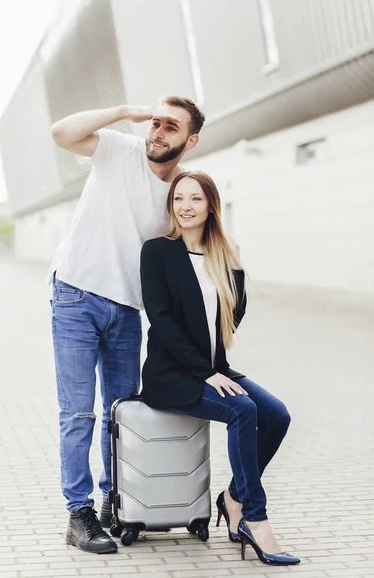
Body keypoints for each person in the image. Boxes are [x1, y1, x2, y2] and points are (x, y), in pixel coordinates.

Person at [47, 97, 205, 554]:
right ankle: (78, 514)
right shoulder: (119, 148)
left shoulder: (180, 192)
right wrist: (121, 111)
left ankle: (112, 504)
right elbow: (61, 133)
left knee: (121, 413)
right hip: (75, 294)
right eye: (155, 122)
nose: (158, 132)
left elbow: (191, 250)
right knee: (78, 412)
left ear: (190, 140)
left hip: (127, 309)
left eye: (170, 127)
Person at [140, 171, 300, 566]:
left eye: (195, 199)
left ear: (211, 205)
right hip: (171, 374)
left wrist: (235, 265)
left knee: (277, 416)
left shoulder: (224, 254)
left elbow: (233, 313)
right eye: (179, 199)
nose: (186, 207)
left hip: (214, 369)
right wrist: (202, 371)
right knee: (242, 410)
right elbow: (160, 319)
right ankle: (255, 519)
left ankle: (233, 497)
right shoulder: (157, 251)